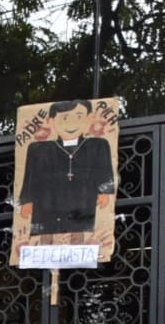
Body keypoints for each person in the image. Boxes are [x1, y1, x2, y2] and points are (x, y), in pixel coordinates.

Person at [16, 100, 116, 236]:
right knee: (45, 235)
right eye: (64, 118)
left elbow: (104, 172)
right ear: (51, 122)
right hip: (48, 202)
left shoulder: (98, 146)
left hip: (82, 201)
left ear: (89, 119)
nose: (71, 123)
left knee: (80, 232)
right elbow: (30, 177)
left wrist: (103, 191)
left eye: (79, 117)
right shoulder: (38, 150)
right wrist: (27, 201)